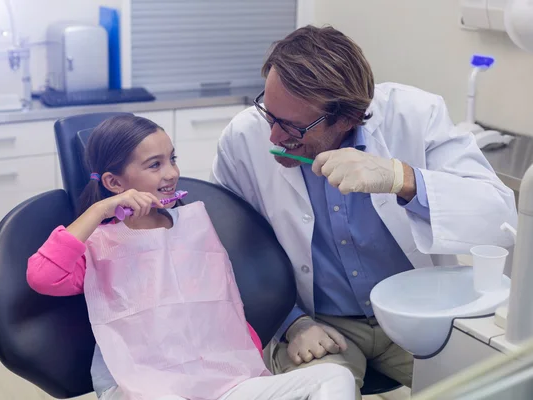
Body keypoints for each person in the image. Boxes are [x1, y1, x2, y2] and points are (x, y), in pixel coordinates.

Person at [211, 25, 517, 399]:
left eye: (291, 126)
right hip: (316, 325)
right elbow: (229, 251)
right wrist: (291, 324)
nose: (273, 137)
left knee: (496, 388)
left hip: (415, 314)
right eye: (267, 112)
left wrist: (403, 179)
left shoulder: (416, 115)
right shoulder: (243, 140)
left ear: (348, 117)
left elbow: (499, 218)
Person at [26, 115, 355, 400]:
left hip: (221, 380)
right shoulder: (98, 244)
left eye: (172, 159)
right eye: (155, 165)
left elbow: (220, 309)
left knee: (335, 377)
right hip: (141, 384)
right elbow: (42, 276)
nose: (171, 173)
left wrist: (249, 367)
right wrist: (99, 211)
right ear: (114, 182)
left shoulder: (194, 225)